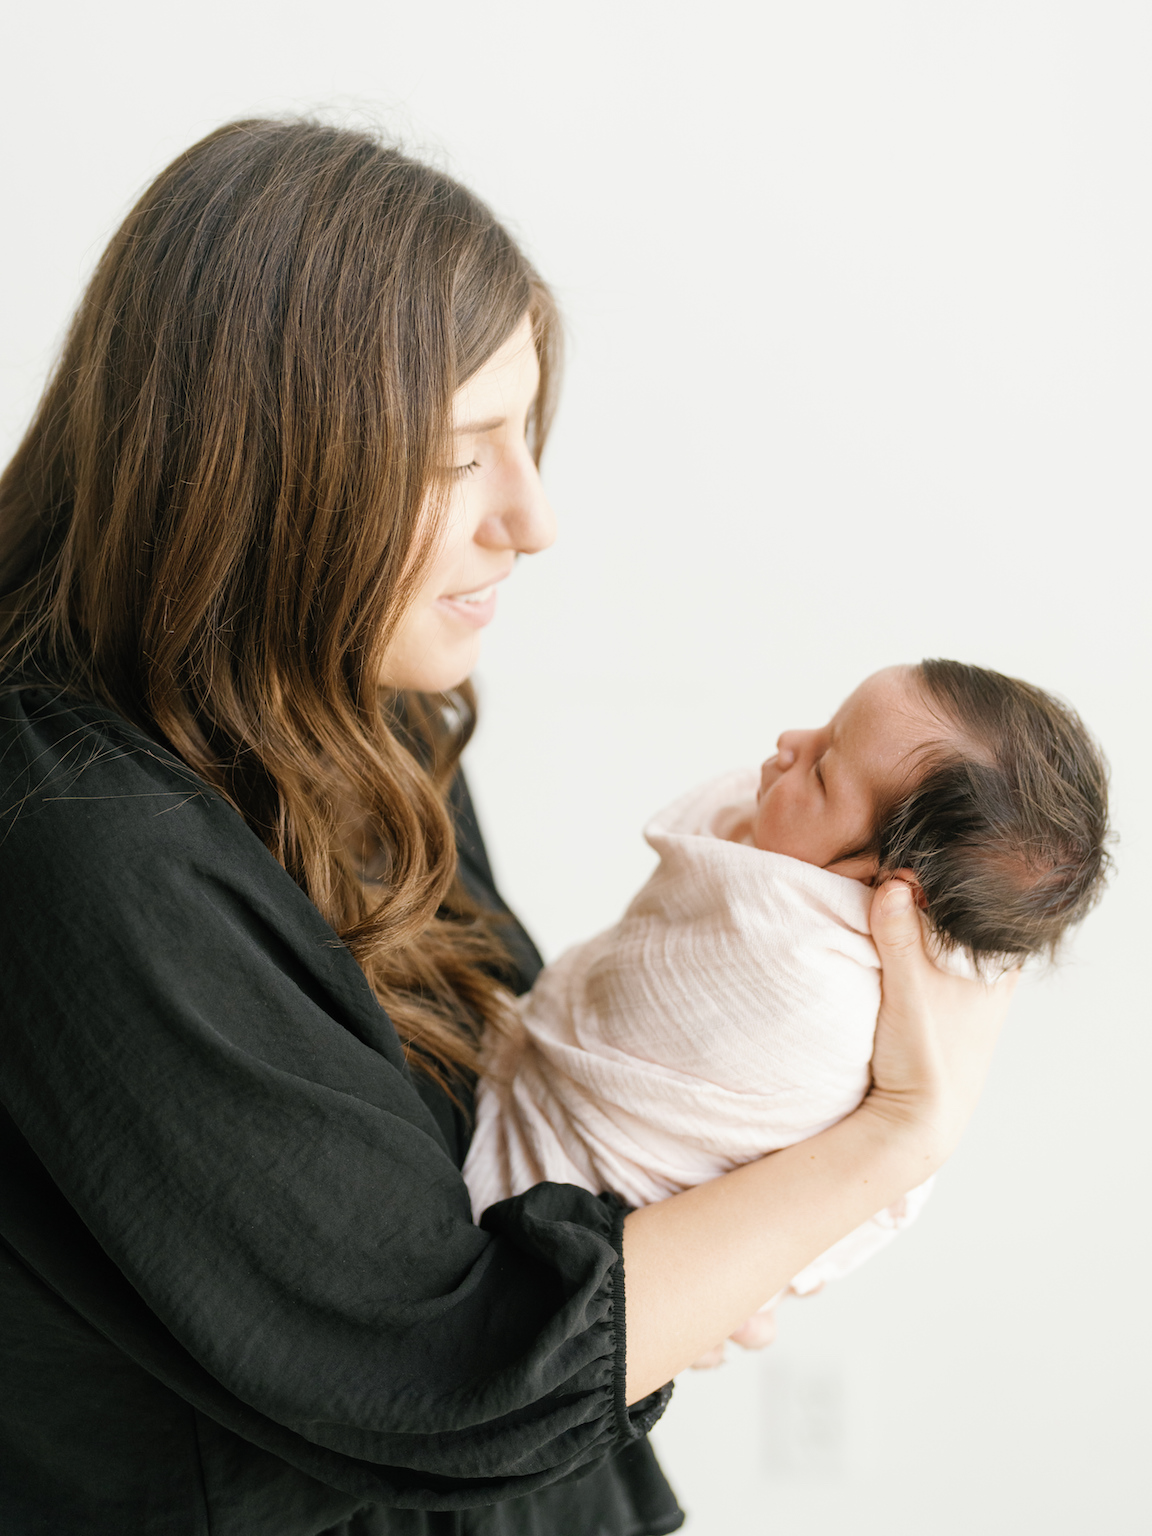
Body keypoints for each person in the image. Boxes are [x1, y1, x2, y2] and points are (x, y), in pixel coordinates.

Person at [0, 118, 1015, 1536]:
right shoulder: (76, 845)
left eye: (523, 437)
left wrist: (687, 1251)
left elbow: (507, 1147)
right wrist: (893, 1139)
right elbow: (455, 1365)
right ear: (260, 462)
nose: (531, 520)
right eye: (454, 455)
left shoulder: (352, 708)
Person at [462, 660, 1109, 1333]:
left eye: (823, 768)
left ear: (886, 884)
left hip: (534, 1223)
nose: (790, 741)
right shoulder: (825, 906)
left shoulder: (801, 981)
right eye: (826, 727)